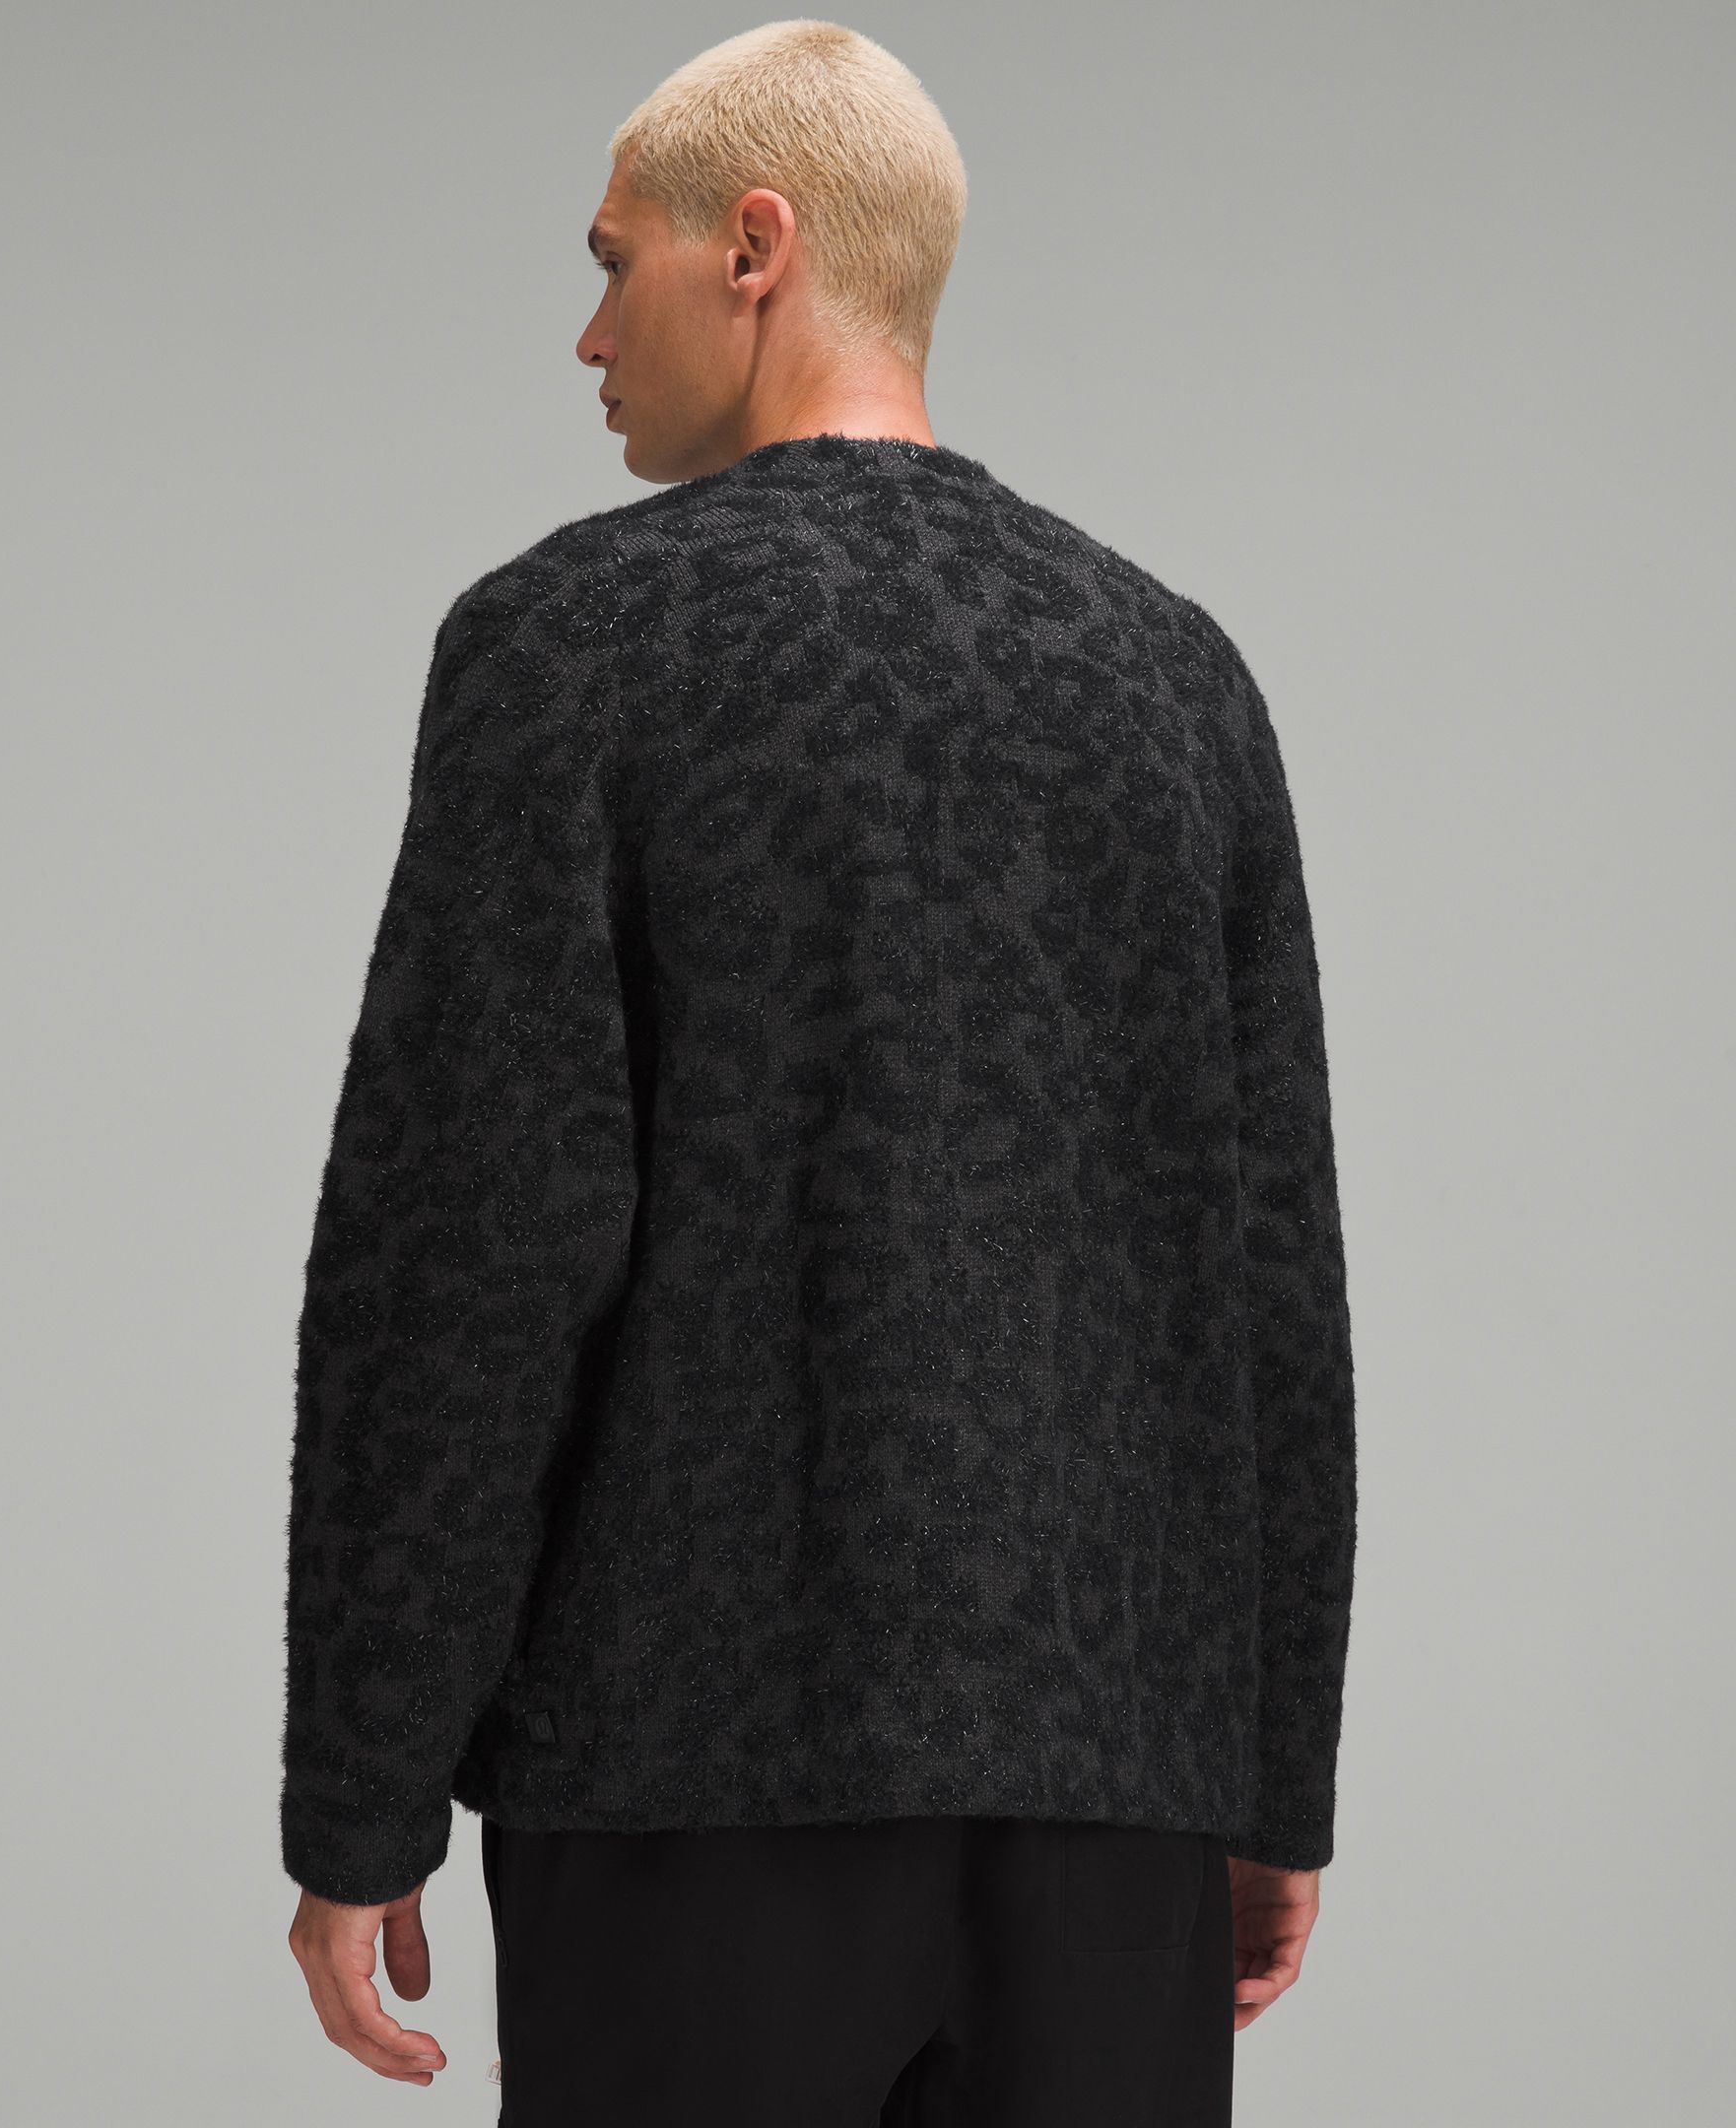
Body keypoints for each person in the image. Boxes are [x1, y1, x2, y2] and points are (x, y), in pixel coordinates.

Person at [281, 21, 1357, 2126]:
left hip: (687, 1790)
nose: (591, 334)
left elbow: (465, 1249)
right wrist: (1269, 1776)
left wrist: (361, 1788)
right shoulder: (1177, 674)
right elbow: (1272, 1286)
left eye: (616, 263)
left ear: (755, 246)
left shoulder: (568, 646)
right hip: (1112, 1798)